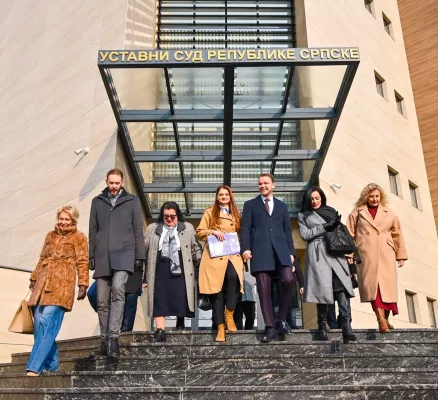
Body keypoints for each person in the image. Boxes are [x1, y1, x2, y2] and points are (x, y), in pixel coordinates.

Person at [88, 169, 145, 358]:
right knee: (102, 300)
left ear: (123, 182)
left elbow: (138, 229)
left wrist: (140, 256)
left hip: (124, 254)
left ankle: (114, 338)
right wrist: (91, 255)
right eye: (111, 183)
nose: (113, 186)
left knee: (118, 291)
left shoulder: (132, 201)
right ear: (106, 181)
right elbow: (93, 229)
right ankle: (104, 340)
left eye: (116, 183)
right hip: (103, 255)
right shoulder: (97, 202)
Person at [26, 205, 89, 376]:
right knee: (40, 325)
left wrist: (83, 283)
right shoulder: (50, 235)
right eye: (61, 218)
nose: (63, 222)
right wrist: (34, 277)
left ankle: (34, 367)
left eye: (67, 219)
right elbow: (42, 257)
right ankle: (52, 365)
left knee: (47, 321)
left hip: (62, 285)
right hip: (42, 283)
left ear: (73, 220)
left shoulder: (79, 237)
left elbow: (82, 261)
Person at [240, 173, 296, 342]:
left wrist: (291, 252)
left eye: (266, 183)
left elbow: (287, 230)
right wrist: (246, 248)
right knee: (264, 291)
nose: (262, 185)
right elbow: (246, 228)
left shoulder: (282, 206)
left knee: (288, 280)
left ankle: (280, 318)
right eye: (260, 183)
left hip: (281, 252)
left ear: (273, 185)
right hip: (261, 252)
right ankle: (270, 328)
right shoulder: (250, 205)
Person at [298, 187, 356, 343]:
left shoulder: (331, 211)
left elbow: (341, 233)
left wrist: (351, 255)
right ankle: (322, 327)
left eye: (317, 198)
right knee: (321, 290)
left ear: (322, 197)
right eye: (312, 199)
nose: (315, 201)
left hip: (336, 252)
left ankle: (347, 326)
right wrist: (325, 226)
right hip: (318, 255)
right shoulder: (303, 215)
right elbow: (305, 235)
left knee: (342, 288)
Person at [347, 183, 408, 333]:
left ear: (381, 197)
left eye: (377, 196)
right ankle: (380, 319)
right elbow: (349, 233)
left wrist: (401, 256)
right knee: (374, 288)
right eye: (371, 196)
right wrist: (349, 253)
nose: (374, 199)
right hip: (366, 253)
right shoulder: (357, 212)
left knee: (387, 288)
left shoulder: (389, 213)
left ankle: (385, 318)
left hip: (386, 253)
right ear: (366, 197)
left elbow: (397, 234)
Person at [144, 201, 201, 342]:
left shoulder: (187, 227)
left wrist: (200, 264)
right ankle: (160, 330)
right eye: (166, 217)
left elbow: (195, 248)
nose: (169, 219)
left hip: (181, 267)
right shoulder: (153, 228)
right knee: (159, 297)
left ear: (178, 215)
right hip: (159, 267)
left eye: (172, 216)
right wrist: (142, 274)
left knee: (180, 295)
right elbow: (143, 249)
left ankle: (180, 323)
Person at [197, 185, 244, 342]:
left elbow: (241, 233)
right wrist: (213, 231)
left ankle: (229, 314)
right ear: (217, 197)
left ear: (230, 197)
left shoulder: (237, 214)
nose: (224, 197)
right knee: (216, 291)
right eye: (221, 194)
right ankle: (220, 327)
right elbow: (200, 232)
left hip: (232, 254)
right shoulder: (210, 212)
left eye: (226, 194)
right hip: (214, 256)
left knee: (234, 279)